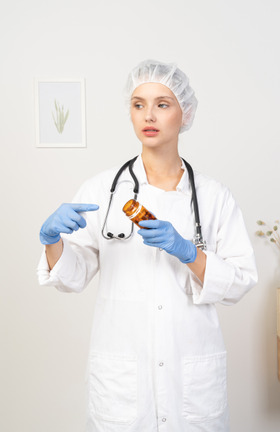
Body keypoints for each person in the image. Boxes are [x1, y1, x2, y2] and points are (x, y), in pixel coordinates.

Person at [37, 59, 258, 432]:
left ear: (184, 113)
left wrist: (190, 253)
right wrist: (52, 241)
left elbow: (240, 281)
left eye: (162, 103)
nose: (148, 115)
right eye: (138, 104)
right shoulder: (102, 191)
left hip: (192, 379)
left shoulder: (213, 197)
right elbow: (71, 277)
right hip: (123, 382)